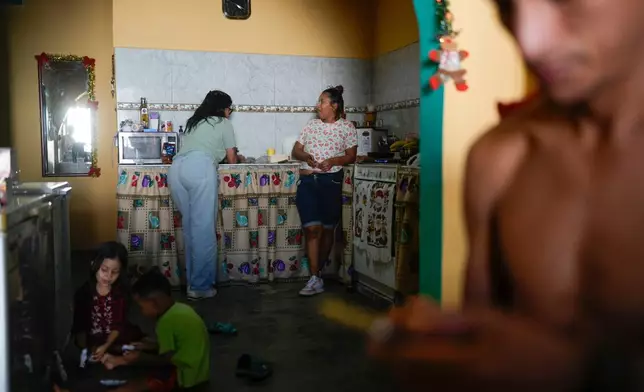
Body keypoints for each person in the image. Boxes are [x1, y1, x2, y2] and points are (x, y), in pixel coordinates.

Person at [370, 0, 644, 390]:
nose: (529, 40)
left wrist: (581, 372)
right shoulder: (500, 158)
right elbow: (483, 346)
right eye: (505, 6)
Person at [168, 90, 238, 301]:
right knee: (204, 231)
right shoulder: (223, 123)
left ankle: (193, 284)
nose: (229, 113)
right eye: (229, 109)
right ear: (224, 108)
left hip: (176, 170)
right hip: (199, 169)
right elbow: (232, 159)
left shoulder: (195, 122)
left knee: (191, 229)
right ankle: (200, 287)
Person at [291, 85, 357, 296]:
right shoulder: (311, 125)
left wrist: (334, 160)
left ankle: (316, 275)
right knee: (312, 229)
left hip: (331, 182)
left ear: (334, 106)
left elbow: (351, 156)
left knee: (328, 230)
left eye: (322, 102)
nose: (317, 105)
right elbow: (296, 150)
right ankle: (313, 277)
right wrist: (305, 157)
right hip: (309, 181)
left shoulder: (347, 127)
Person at [100, 269, 210, 392]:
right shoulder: (180, 309)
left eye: (142, 307)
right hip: (201, 373)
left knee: (136, 385)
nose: (142, 312)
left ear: (154, 303)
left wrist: (139, 358)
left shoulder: (166, 322)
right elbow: (178, 346)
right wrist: (147, 346)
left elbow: (166, 359)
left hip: (185, 376)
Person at [71, 241, 143, 361]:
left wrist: (106, 346)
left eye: (114, 272)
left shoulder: (120, 294)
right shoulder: (84, 293)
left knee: (130, 346)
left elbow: (118, 325)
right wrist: (86, 348)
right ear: (94, 265)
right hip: (92, 338)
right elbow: (80, 325)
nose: (108, 276)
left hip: (115, 337)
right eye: (104, 270)